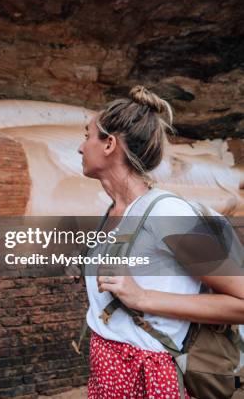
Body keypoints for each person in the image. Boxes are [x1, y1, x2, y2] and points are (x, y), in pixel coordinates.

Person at [77, 85, 244, 398]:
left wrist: (142, 298)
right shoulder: (112, 211)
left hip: (148, 378)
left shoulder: (167, 213)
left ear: (110, 144)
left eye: (87, 135)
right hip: (106, 371)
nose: (80, 147)